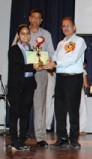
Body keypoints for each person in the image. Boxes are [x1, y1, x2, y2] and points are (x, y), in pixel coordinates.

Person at [12, 9, 55, 147]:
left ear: (41, 20)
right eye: (33, 17)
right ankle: (19, 136)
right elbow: (14, 51)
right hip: (23, 75)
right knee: (20, 106)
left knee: (39, 105)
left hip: (40, 73)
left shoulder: (46, 34)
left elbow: (52, 53)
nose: (36, 20)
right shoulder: (22, 32)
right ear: (29, 18)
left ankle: (40, 137)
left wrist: (46, 61)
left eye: (39, 18)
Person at [44, 17, 87, 149]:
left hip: (73, 78)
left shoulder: (80, 41)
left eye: (68, 25)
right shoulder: (60, 43)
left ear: (74, 27)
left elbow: (72, 58)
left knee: (73, 109)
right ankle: (61, 138)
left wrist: (55, 63)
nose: (66, 28)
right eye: (63, 26)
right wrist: (47, 63)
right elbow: (55, 58)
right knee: (59, 109)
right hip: (60, 78)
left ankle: (74, 139)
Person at [8, 24, 41, 150]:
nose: (26, 36)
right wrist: (32, 67)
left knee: (25, 113)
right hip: (16, 85)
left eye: (28, 33)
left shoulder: (32, 50)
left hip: (28, 84)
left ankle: (22, 141)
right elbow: (17, 67)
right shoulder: (14, 49)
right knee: (15, 112)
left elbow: (34, 67)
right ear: (18, 35)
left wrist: (39, 65)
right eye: (23, 33)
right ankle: (14, 141)